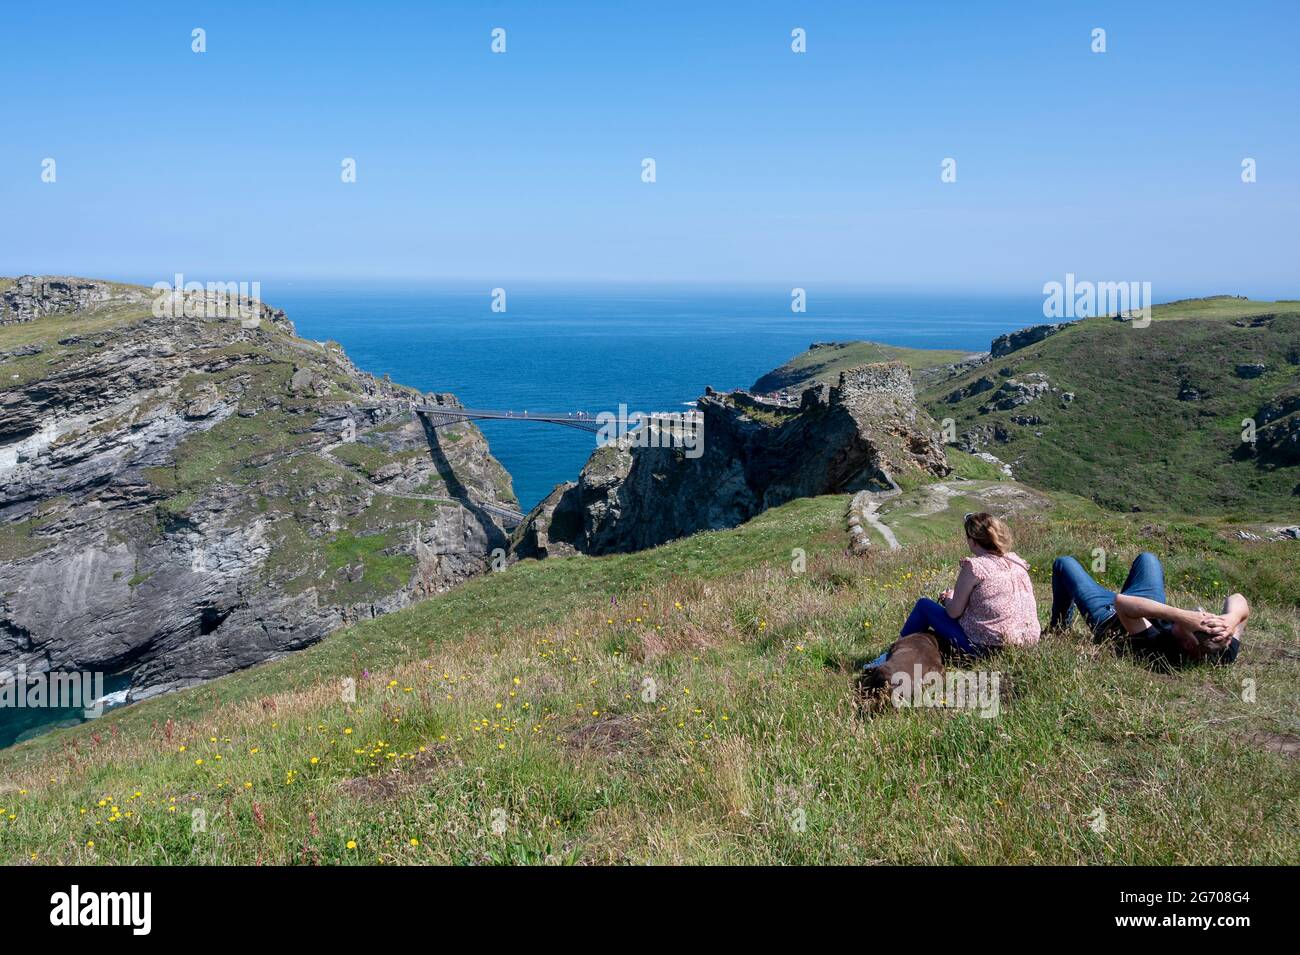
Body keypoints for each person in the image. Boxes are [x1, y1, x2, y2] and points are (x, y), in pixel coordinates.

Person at [866, 512, 1040, 667]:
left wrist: (948, 598)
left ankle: (891, 655)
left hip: (986, 649)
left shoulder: (975, 567)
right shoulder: (1016, 561)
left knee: (924, 606)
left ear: (972, 542)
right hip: (1027, 644)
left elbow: (954, 613)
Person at [1049, 551, 1244, 666]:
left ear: (1187, 644)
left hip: (1111, 615)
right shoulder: (1222, 651)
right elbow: (1239, 599)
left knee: (1064, 563)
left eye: (1197, 621)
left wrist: (1182, 615)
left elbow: (1121, 603)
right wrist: (1232, 619)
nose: (1200, 614)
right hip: (1148, 605)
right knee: (1147, 558)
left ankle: (1058, 628)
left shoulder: (1159, 647)